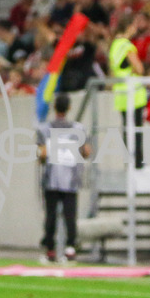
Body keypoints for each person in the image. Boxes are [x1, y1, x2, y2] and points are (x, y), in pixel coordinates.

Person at [37, 94, 91, 263]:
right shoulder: (78, 129)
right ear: (69, 108)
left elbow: (42, 154)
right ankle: (70, 248)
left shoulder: (45, 128)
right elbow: (87, 151)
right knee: (70, 215)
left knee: (51, 215)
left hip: (51, 178)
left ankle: (50, 250)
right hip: (71, 178)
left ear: (55, 107)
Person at [108, 20, 147, 168]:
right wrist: (133, 71)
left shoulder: (114, 46)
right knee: (136, 130)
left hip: (121, 95)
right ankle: (138, 164)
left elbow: (112, 72)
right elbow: (139, 69)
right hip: (134, 94)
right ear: (129, 27)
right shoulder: (126, 46)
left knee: (126, 129)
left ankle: (128, 162)